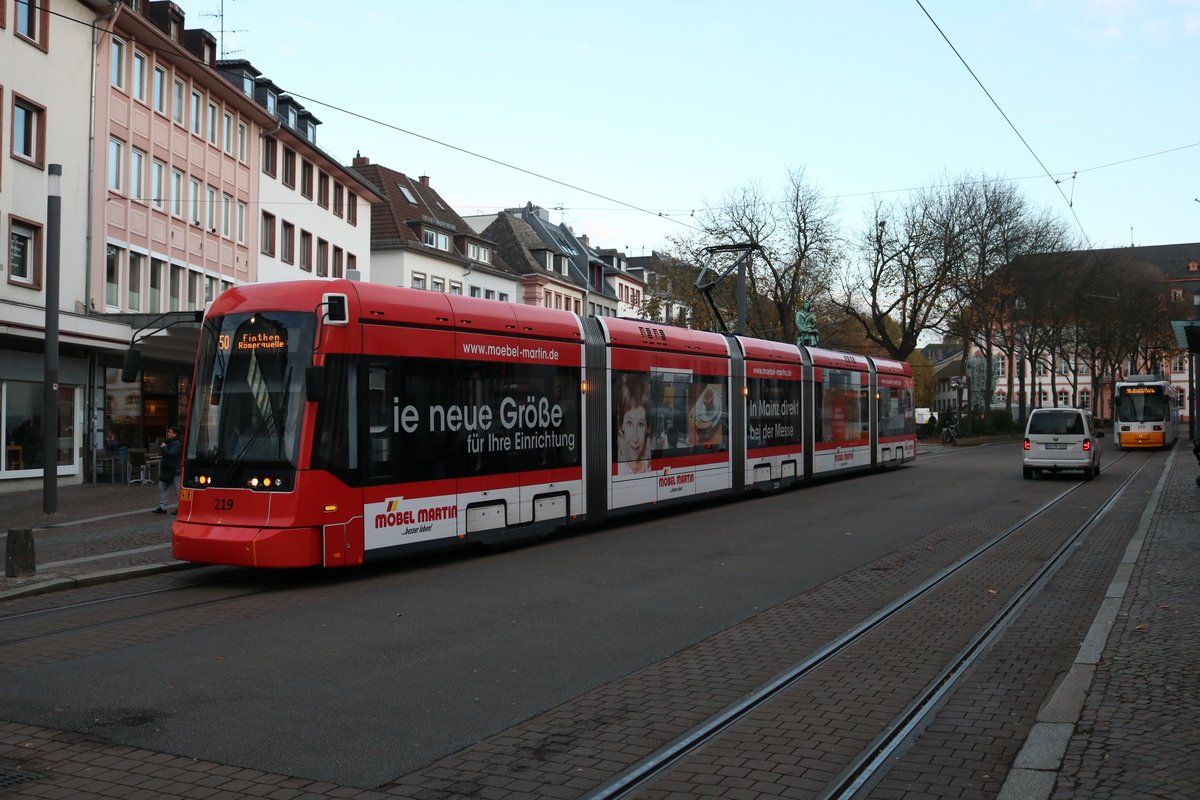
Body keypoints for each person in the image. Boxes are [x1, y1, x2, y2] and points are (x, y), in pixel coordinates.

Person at [615, 375, 652, 475]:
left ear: (647, 428)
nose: (635, 438)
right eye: (629, 423)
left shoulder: (652, 466)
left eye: (640, 424)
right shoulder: (618, 470)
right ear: (622, 424)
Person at [154, 425, 183, 515]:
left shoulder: (177, 443)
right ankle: (163, 507)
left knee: (177, 490)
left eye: (170, 432)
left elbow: (171, 454)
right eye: (168, 432)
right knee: (162, 487)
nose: (168, 433)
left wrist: (163, 447)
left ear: (175, 434)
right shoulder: (169, 442)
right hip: (167, 469)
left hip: (174, 470)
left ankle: (181, 508)